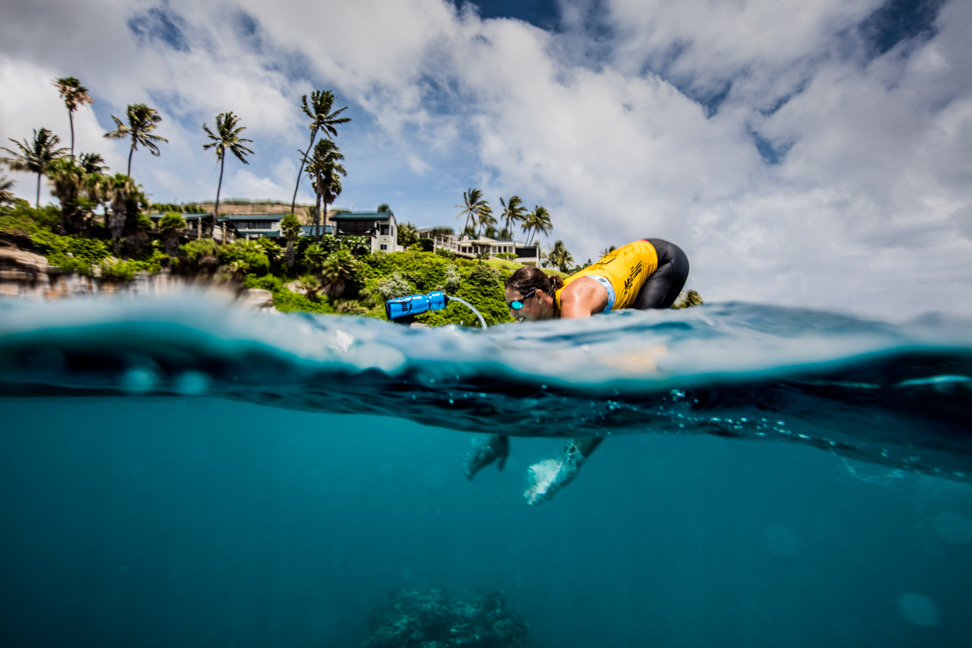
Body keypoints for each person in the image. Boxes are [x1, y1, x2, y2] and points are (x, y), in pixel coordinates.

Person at [466, 239, 690, 505]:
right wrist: (499, 427)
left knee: (616, 383)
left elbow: (580, 373)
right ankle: (497, 439)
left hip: (664, 263)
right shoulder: (545, 313)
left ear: (538, 296)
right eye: (509, 307)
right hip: (628, 268)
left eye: (515, 305)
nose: (513, 314)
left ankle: (568, 463)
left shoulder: (574, 301)